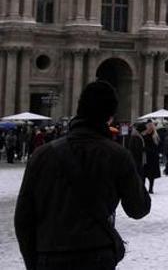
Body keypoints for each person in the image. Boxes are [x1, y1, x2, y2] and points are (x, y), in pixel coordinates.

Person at [15, 80, 152, 269]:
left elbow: (23, 218)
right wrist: (134, 168)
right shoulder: (117, 155)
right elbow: (139, 208)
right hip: (97, 253)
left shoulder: (42, 155)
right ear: (110, 117)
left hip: (50, 254)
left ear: (79, 109)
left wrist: (34, 262)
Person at [142, 123, 162, 193]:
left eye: (151, 128)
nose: (149, 129)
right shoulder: (143, 136)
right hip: (146, 158)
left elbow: (158, 147)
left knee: (151, 175)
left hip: (153, 158)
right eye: (148, 128)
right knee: (144, 174)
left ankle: (151, 188)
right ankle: (143, 188)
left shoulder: (155, 136)